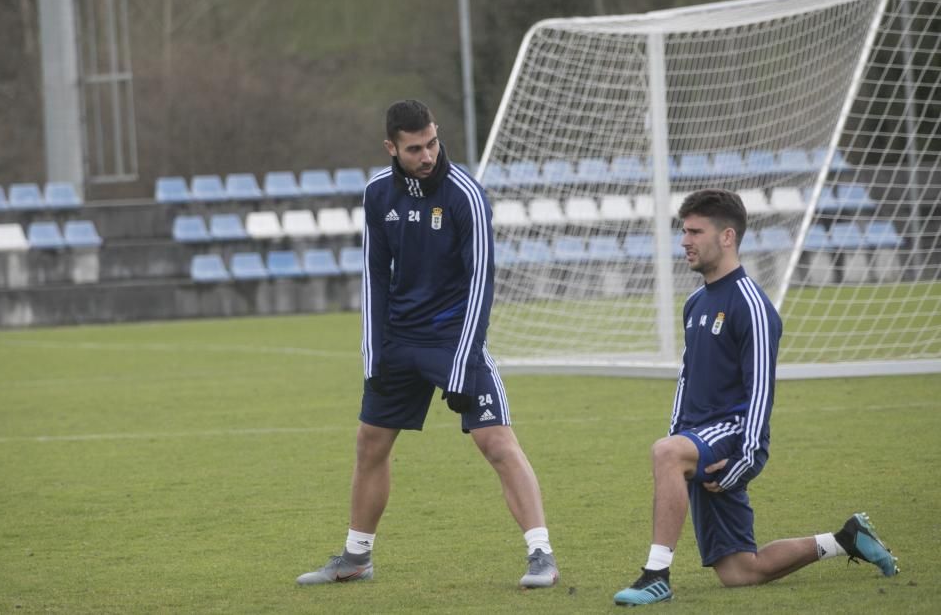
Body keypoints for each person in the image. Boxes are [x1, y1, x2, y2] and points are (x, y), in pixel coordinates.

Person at [296, 99, 559, 588]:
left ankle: (541, 554)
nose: (427, 155)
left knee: (496, 442)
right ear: (391, 148)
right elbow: (374, 274)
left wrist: (461, 364)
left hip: (454, 338)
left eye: (432, 142)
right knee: (369, 444)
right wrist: (373, 352)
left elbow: (483, 279)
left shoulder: (466, 196)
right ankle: (357, 558)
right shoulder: (377, 194)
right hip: (399, 340)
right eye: (414, 148)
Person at [613, 188, 898, 606]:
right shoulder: (695, 303)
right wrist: (679, 433)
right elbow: (686, 379)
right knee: (740, 572)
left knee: (665, 453)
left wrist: (748, 457)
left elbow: (762, 391)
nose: (684, 241)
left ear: (727, 237)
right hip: (696, 438)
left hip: (731, 436)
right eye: (683, 231)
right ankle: (844, 539)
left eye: (694, 231)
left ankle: (656, 575)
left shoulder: (752, 305)